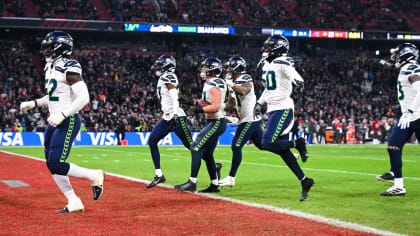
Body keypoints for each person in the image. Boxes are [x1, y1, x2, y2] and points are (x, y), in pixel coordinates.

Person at [20, 31, 104, 213]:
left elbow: (84, 97)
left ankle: (94, 175)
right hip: (55, 121)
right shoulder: (49, 67)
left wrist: (63, 115)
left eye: (50, 46)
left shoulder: (70, 66)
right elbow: (52, 97)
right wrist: (34, 103)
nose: (46, 50)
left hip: (68, 120)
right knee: (52, 164)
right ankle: (73, 201)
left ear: (60, 48)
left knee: (56, 163)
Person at [253, 35, 314, 201]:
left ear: (279, 48)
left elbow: (293, 74)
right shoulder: (268, 64)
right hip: (273, 109)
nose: (267, 50)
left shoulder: (282, 62)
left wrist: (298, 81)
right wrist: (259, 103)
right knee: (282, 151)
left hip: (283, 108)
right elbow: (269, 88)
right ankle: (304, 180)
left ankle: (298, 143)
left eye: (270, 47)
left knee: (266, 143)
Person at [175, 57, 227, 193]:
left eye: (205, 67)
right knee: (208, 154)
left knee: (196, 147)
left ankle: (192, 182)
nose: (203, 69)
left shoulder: (214, 83)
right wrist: (192, 102)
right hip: (214, 121)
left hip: (217, 121)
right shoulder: (210, 83)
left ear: (212, 69)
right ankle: (214, 184)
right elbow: (206, 102)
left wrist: (199, 109)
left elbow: (215, 106)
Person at [376, 43, 420, 196]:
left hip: (416, 115)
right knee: (393, 147)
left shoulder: (410, 69)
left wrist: (410, 111)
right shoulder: (405, 68)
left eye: (398, 54)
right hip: (408, 117)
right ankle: (398, 185)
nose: (395, 57)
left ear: (406, 55)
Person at [147, 55, 193, 188]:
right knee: (152, 141)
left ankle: (214, 166)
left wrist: (174, 115)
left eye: (161, 65)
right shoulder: (166, 77)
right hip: (167, 117)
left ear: (167, 66)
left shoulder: (168, 76)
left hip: (175, 116)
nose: (158, 67)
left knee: (192, 146)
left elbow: (174, 96)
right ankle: (159, 175)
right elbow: (177, 95)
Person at [218, 56, 264, 187]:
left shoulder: (245, 78)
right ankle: (291, 147)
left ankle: (231, 177)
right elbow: (230, 104)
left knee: (236, 146)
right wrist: (217, 108)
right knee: (263, 144)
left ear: (237, 67)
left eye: (230, 67)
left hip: (249, 118)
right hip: (247, 119)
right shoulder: (231, 83)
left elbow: (244, 90)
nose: (228, 70)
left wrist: (231, 84)